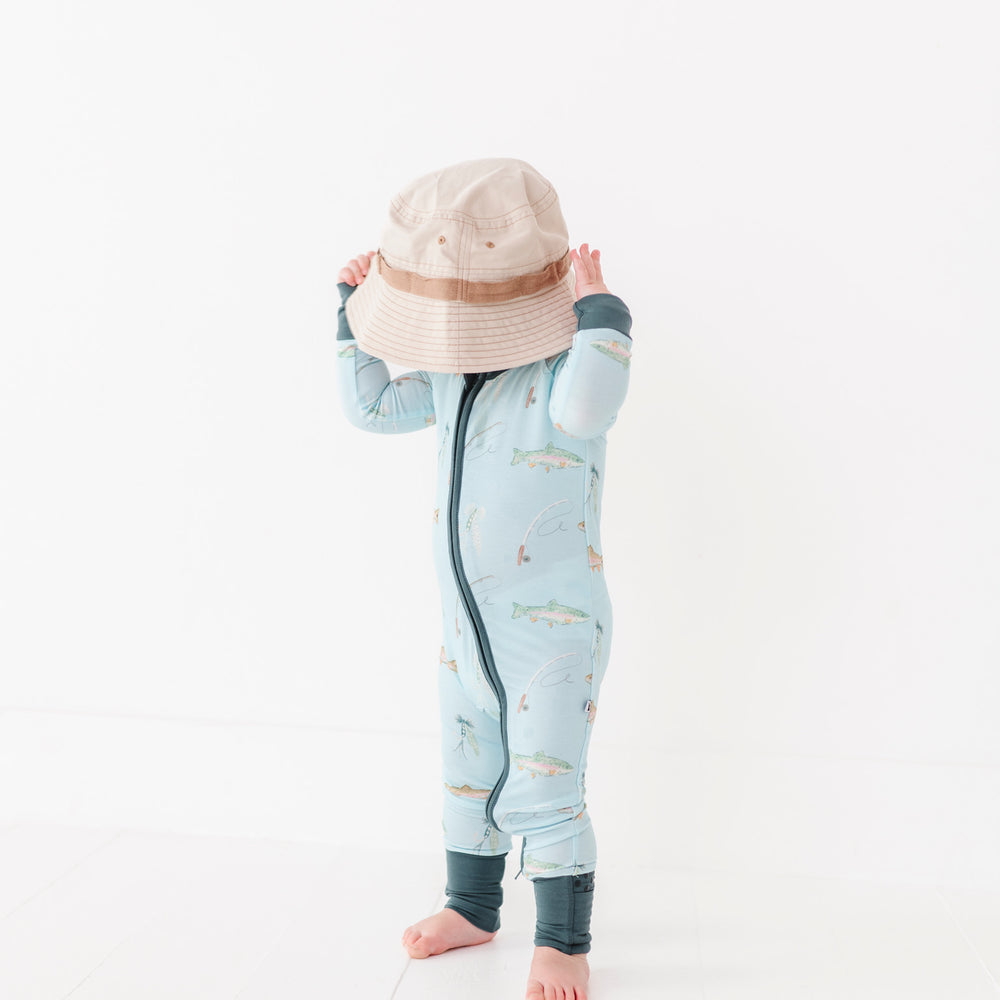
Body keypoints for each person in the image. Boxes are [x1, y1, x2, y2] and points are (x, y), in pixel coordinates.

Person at [335, 157, 633, 1000]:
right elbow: (368, 407)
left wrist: (599, 314)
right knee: (467, 770)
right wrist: (349, 312)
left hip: (553, 632)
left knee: (545, 778)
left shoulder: (562, 375)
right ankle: (471, 906)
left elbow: (589, 409)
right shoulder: (448, 372)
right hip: (464, 629)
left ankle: (564, 940)